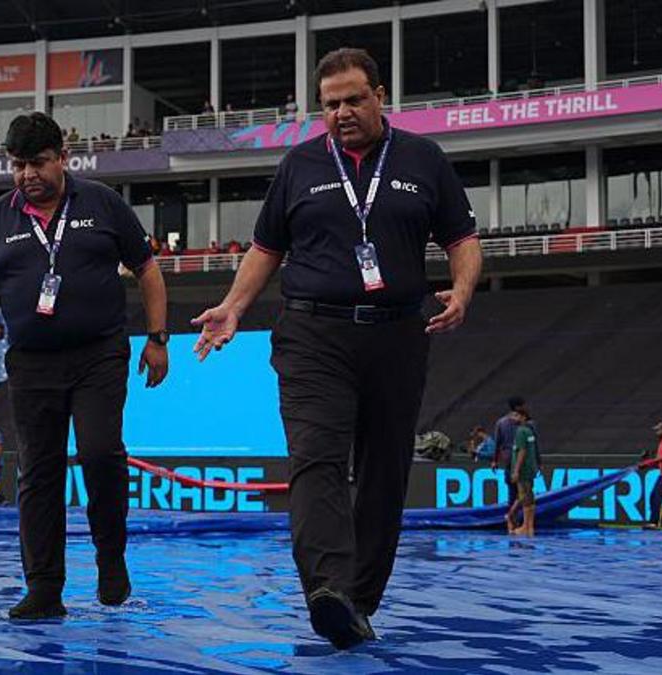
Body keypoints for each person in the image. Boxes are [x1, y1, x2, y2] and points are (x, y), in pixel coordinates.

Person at [189, 48, 482, 649]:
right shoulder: (298, 165)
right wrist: (234, 307)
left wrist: (464, 288)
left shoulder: (424, 159)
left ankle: (356, 602)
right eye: (330, 104)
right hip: (312, 335)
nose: (342, 112)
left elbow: (462, 237)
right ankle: (326, 587)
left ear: (379, 96)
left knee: (383, 472)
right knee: (316, 458)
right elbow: (266, 248)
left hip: (398, 334)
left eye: (353, 99)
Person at [0, 111, 169, 620]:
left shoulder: (102, 202)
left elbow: (148, 270)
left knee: (99, 455)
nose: (28, 174)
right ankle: (45, 588)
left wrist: (158, 339)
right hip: (31, 366)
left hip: (99, 354)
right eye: (18, 164)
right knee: (38, 472)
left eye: (38, 162)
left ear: (62, 159)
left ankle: (111, 562)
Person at [506, 408, 540, 536]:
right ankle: (529, 527)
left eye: (516, 415)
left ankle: (526, 527)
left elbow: (522, 451)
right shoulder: (529, 431)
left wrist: (516, 471)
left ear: (523, 417)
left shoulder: (521, 431)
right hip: (530, 468)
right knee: (529, 496)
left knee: (524, 496)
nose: (513, 418)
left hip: (523, 470)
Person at [493, 396, 527, 511]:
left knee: (512, 491)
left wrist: (495, 461)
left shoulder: (500, 422)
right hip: (522, 460)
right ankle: (516, 517)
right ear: (518, 407)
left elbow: (497, 443)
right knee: (523, 490)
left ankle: (512, 517)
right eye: (522, 405)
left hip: (508, 459)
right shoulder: (525, 423)